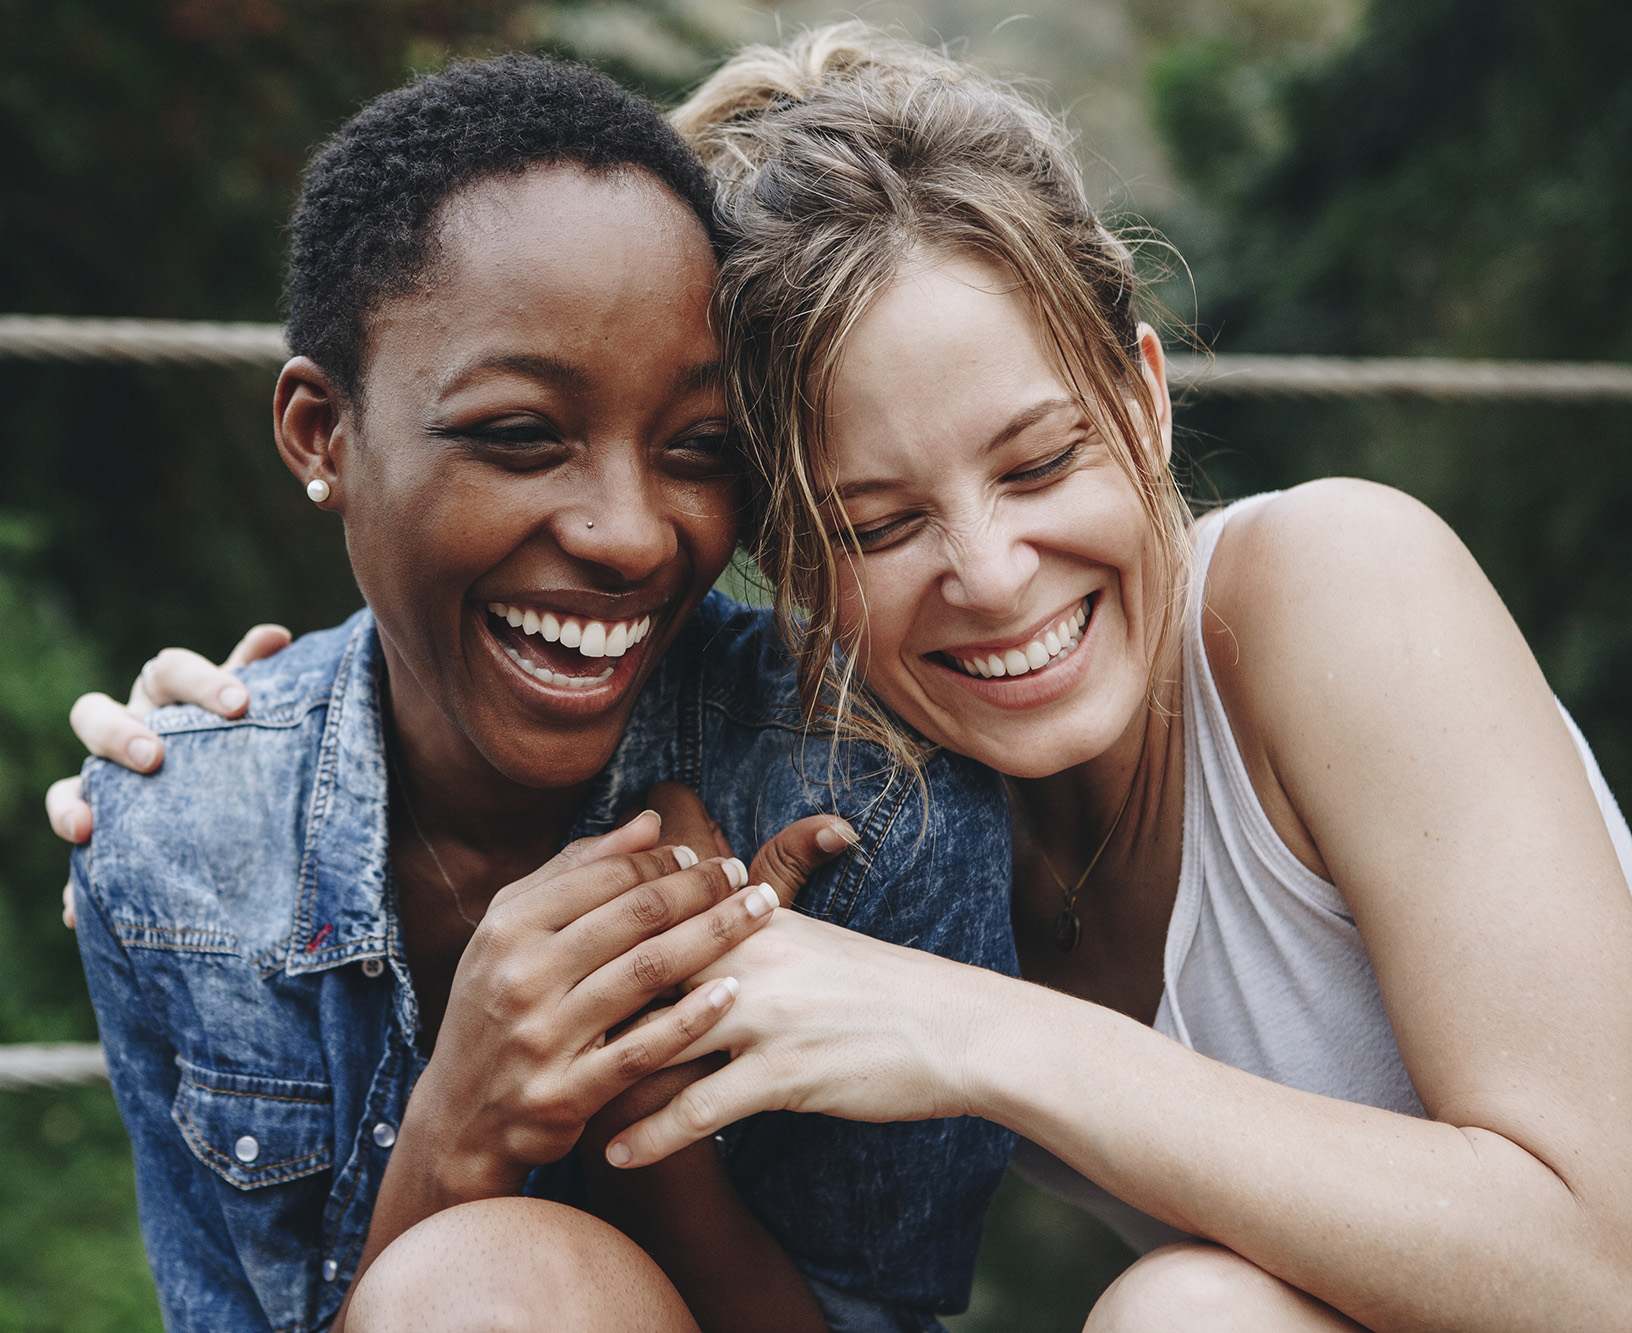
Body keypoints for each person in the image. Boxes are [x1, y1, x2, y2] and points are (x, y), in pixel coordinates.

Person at [576, 26, 1632, 1333]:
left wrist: (983, 1034)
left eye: (1036, 464)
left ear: (1141, 396)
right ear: (787, 564)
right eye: (878, 526)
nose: (994, 573)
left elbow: (1604, 1266)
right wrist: (257, 727)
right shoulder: (883, 813)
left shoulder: (1335, 587)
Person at [59, 53, 1017, 1333]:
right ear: (320, 433)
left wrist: (652, 1112)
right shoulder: (176, 844)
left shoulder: (864, 801)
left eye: (699, 450)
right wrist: (460, 1129)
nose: (629, 535)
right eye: (519, 435)